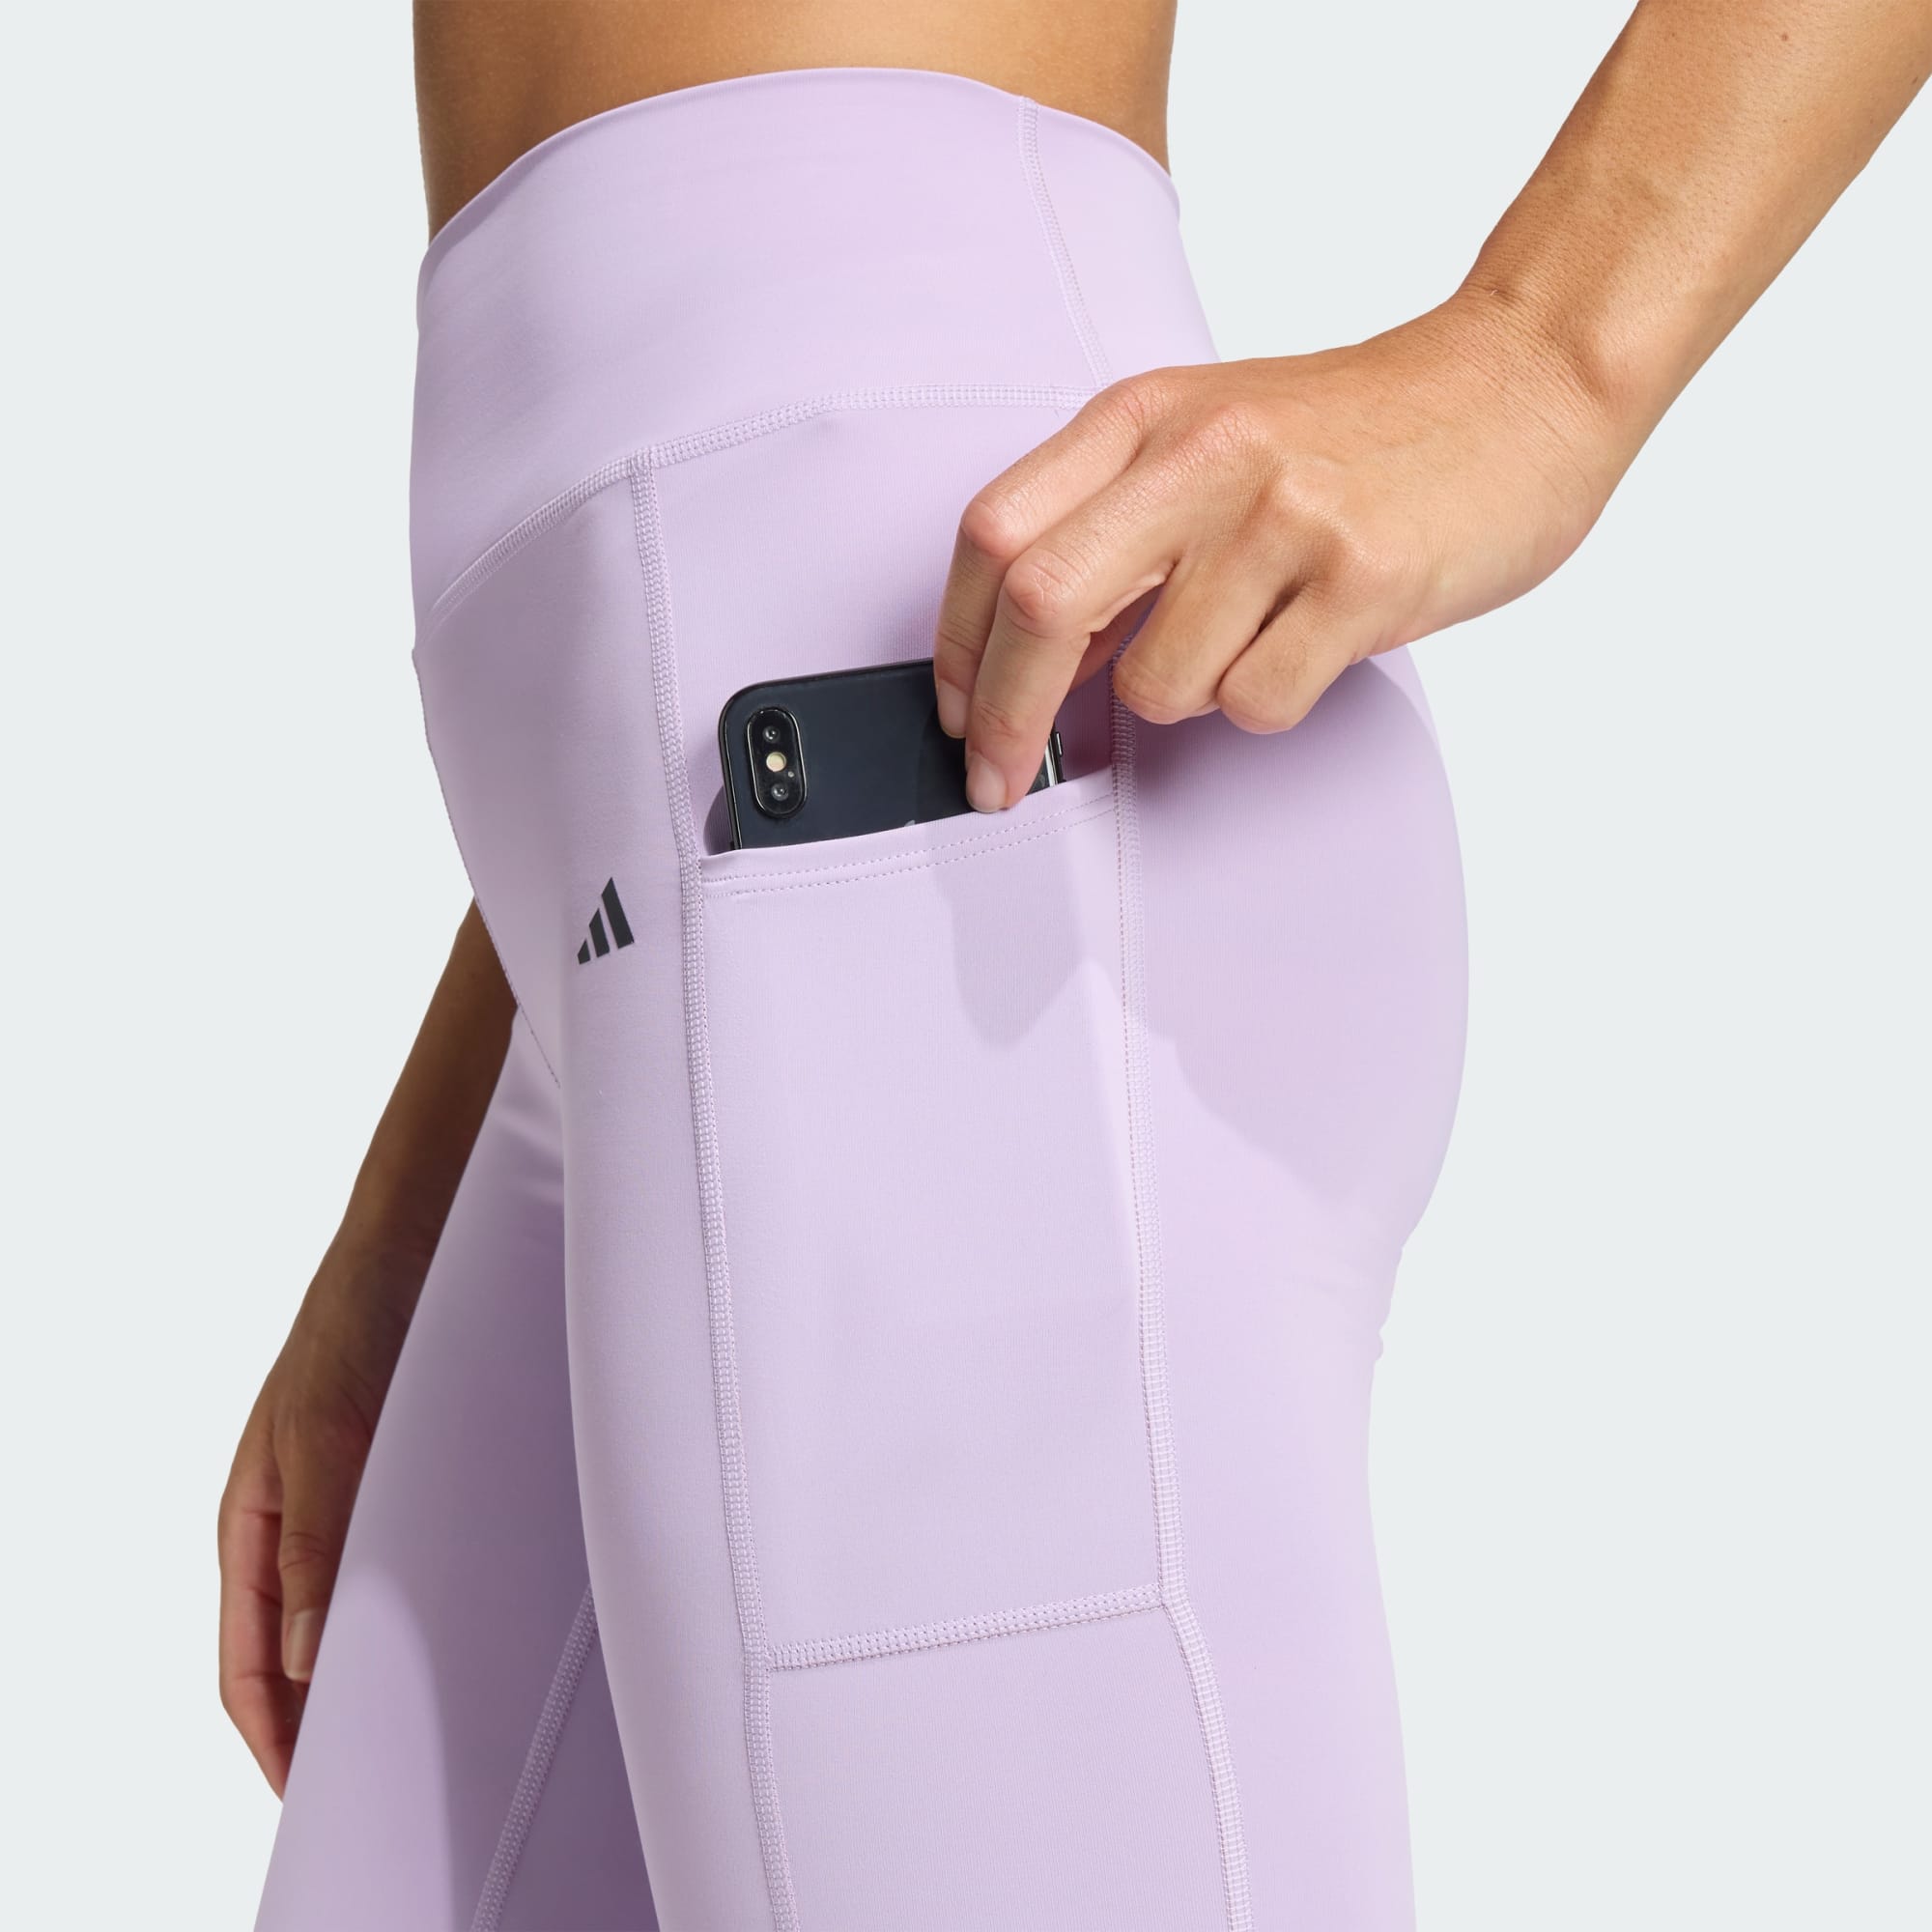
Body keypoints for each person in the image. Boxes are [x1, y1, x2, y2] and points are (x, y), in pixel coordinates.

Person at [226, 6, 1930, 1927]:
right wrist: (424, 1191)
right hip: (731, 883)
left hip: (951, 846)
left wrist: (1543, 357)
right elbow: (666, 624)